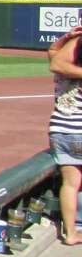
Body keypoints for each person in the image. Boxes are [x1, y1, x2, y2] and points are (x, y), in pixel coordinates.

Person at [49, 28, 82, 245]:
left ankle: (71, 233)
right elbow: (55, 60)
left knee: (70, 183)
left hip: (61, 128)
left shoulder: (66, 62)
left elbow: (54, 55)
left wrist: (67, 38)